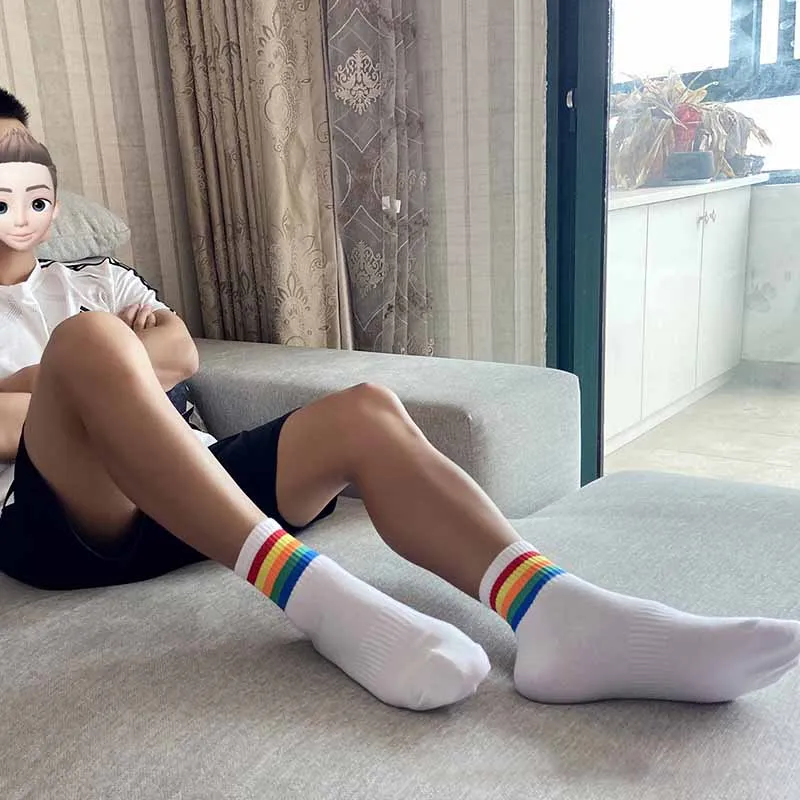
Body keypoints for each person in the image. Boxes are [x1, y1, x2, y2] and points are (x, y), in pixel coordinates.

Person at [0, 90, 797, 713]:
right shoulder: (99, 314)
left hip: (201, 488)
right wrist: (89, 374)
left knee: (367, 410)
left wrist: (80, 387)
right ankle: (321, 601)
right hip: (71, 529)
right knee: (90, 343)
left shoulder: (96, 277)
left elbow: (181, 353)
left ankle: (559, 614)